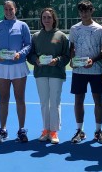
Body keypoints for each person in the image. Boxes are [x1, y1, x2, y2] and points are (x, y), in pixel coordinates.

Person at [0, 0, 32, 143]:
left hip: (18, 65)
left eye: (11, 9)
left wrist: (21, 53)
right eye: (6, 9)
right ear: (3, 10)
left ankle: (22, 129)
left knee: (20, 99)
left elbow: (28, 44)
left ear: (15, 9)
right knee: (3, 99)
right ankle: (3, 130)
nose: (8, 12)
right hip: (1, 66)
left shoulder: (22, 26)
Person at [27, 8, 70, 144]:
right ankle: (45, 129)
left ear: (54, 19)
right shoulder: (35, 36)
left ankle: (54, 131)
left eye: (49, 17)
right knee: (44, 103)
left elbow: (66, 56)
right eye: (44, 17)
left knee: (55, 103)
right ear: (41, 20)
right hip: (41, 73)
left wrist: (56, 61)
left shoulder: (61, 36)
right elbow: (31, 54)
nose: (46, 20)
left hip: (56, 73)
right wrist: (36, 60)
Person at [69, 0, 102, 144]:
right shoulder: (74, 29)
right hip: (79, 71)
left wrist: (94, 60)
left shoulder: (100, 29)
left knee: (98, 101)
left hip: (96, 71)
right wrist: (72, 60)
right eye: (81, 11)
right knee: (78, 100)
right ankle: (79, 131)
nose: (84, 13)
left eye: (87, 10)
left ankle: (98, 131)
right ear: (79, 12)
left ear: (92, 11)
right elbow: (71, 46)